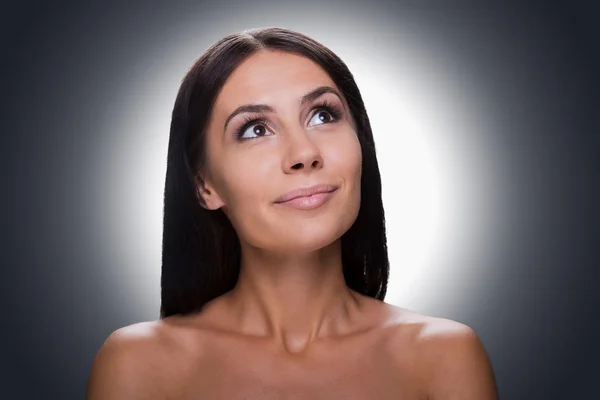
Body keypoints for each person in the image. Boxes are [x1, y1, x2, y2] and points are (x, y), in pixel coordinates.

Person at [86, 27, 498, 399]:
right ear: (204, 185)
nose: (304, 154)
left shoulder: (444, 356)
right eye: (255, 129)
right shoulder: (138, 365)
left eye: (323, 115)